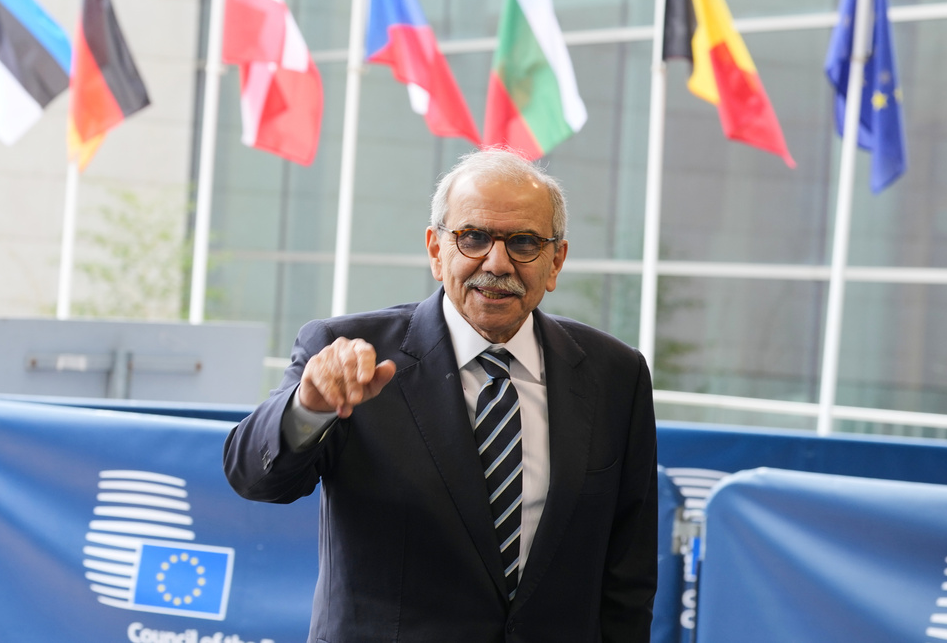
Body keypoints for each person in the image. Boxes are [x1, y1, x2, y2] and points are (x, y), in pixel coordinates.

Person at [223, 148, 658, 642]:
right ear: (435, 250)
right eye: (472, 237)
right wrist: (308, 407)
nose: (496, 262)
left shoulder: (615, 375)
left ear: (555, 260)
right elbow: (254, 478)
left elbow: (629, 576)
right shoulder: (347, 354)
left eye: (523, 242)